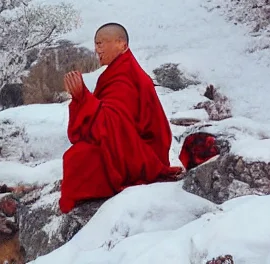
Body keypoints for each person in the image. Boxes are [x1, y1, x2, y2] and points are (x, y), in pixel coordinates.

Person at [59, 22, 182, 213]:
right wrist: (80, 99)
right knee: (78, 155)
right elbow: (111, 123)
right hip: (126, 144)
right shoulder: (116, 72)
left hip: (142, 153)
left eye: (101, 43)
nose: (97, 49)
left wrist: (83, 97)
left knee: (78, 158)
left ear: (121, 44)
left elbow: (114, 123)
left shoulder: (127, 75)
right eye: (96, 44)